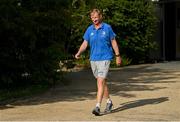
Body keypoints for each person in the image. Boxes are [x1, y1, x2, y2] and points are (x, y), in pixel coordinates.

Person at [75, 9, 121, 116]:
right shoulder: (89, 29)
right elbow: (85, 43)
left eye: (96, 17)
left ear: (100, 17)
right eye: (92, 17)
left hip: (105, 58)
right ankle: (109, 102)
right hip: (93, 59)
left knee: (100, 82)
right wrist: (79, 53)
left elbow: (113, 42)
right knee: (101, 82)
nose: (94, 19)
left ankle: (97, 106)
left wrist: (117, 56)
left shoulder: (107, 28)